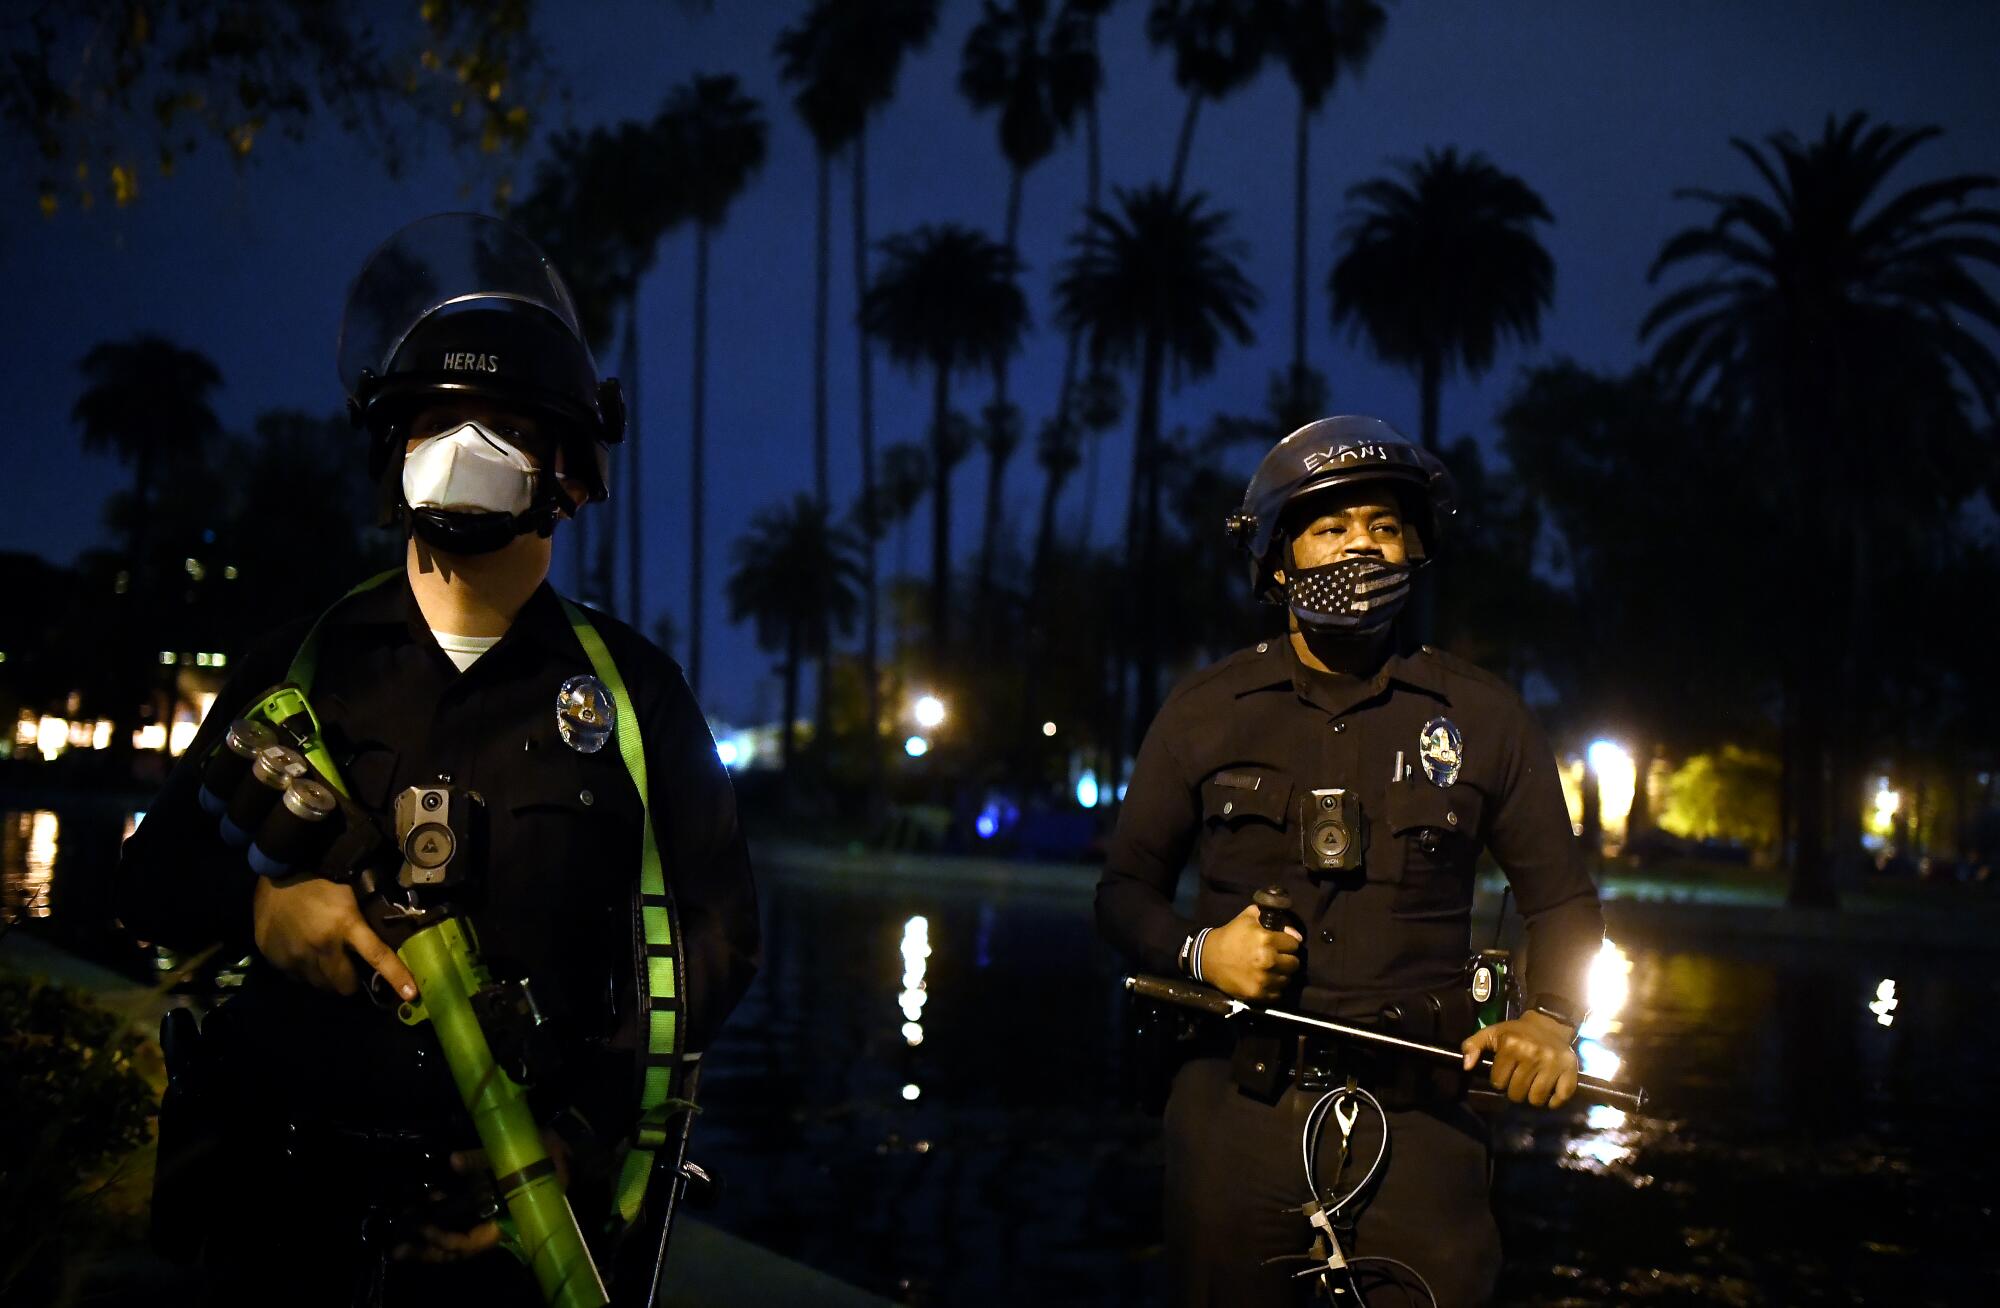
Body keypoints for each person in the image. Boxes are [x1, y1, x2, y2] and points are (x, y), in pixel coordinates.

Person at [115, 213, 759, 1306]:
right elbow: (143, 882)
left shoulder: (636, 696)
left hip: (516, 1234)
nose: (464, 446)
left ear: (568, 464)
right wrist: (260, 910)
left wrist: (582, 1128)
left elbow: (718, 937)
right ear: (390, 445)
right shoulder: (299, 666)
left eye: (503, 425)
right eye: (436, 420)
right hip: (283, 1227)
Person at [1096, 415, 1604, 1307]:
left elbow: (1563, 904)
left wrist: (1554, 1021)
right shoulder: (1204, 711)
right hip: (1232, 1121)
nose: (1360, 548)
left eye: (1384, 527)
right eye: (1331, 527)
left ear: (1417, 548)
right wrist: (1199, 952)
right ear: (1278, 558)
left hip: (1428, 1131)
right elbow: (1122, 892)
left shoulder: (1487, 719)